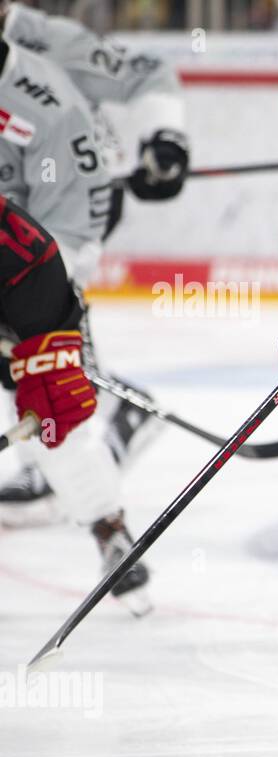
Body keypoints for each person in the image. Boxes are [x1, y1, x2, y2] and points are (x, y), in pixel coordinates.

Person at [0, 1, 189, 523]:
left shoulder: (41, 42)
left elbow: (147, 75)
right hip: (20, 209)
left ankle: (76, 439)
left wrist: (164, 141)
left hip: (66, 205)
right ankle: (84, 427)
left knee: (34, 327)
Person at [0, 32, 150, 610]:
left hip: (31, 270)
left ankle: (109, 530)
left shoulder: (46, 105)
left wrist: (41, 335)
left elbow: (67, 238)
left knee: (52, 414)